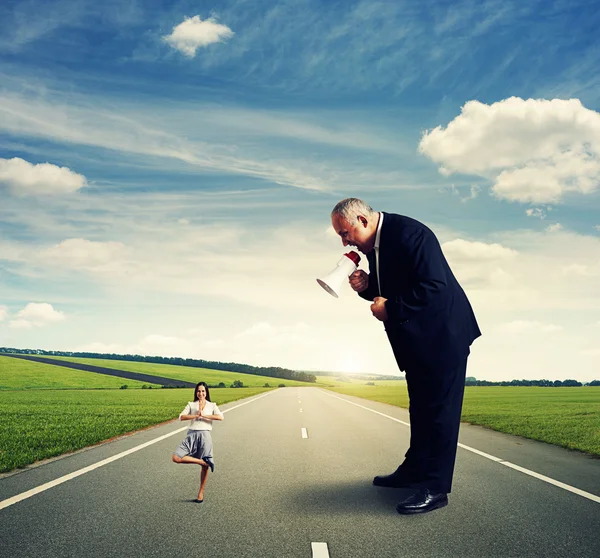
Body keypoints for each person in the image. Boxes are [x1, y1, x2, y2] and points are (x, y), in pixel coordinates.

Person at [330, 198, 481, 514]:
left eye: (345, 233)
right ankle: (414, 471)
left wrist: (392, 308)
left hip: (443, 337)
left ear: (362, 219)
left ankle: (436, 489)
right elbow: (392, 289)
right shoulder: (375, 246)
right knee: (421, 409)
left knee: (440, 414)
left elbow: (434, 287)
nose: (344, 241)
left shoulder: (411, 234)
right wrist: (366, 287)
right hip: (416, 343)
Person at [172, 381, 224, 503]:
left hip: (205, 435)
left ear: (206, 393)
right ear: (196, 392)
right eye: (199, 391)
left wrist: (204, 415)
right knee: (176, 457)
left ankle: (201, 492)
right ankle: (202, 461)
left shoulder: (212, 405)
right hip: (191, 434)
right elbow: (181, 417)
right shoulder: (191, 404)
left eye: (203, 391)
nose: (201, 393)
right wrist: (195, 415)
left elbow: (220, 417)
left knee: (204, 468)